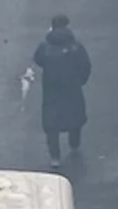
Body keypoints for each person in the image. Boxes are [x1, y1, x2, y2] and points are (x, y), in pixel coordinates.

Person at [33, 13, 92, 162]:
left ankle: (55, 157)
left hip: (52, 92)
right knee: (75, 117)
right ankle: (74, 143)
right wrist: (80, 81)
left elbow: (38, 59)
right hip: (72, 88)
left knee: (51, 124)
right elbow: (86, 66)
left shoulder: (45, 47)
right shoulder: (76, 47)